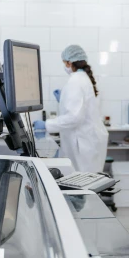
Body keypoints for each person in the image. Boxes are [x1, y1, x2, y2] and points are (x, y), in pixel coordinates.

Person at [33, 45, 108, 173]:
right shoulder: (83, 78)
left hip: (82, 145)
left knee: (81, 185)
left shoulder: (76, 81)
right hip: (88, 141)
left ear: (69, 62)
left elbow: (74, 118)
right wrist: (64, 99)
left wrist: (46, 125)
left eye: (64, 63)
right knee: (86, 184)